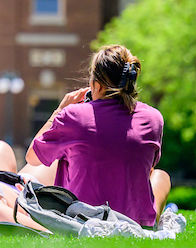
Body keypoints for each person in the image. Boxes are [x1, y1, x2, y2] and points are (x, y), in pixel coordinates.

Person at [25, 44, 171, 229]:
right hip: (135, 223)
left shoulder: (73, 116)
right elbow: (147, 168)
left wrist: (59, 110)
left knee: (59, 157)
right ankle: (150, 222)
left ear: (97, 84)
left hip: (84, 220)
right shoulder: (154, 118)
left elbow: (32, 157)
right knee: (161, 176)